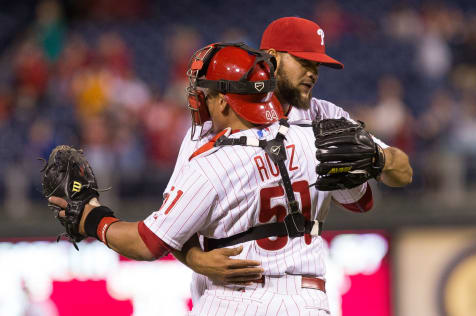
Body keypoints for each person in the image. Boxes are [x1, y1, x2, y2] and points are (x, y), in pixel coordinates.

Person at [49, 42, 345, 315]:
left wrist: (91, 218)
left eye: (207, 93)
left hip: (238, 299)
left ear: (225, 103)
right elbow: (363, 201)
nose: (199, 98)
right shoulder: (312, 139)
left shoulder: (213, 163)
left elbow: (148, 243)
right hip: (311, 302)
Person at [172, 16, 413, 297]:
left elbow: (403, 173)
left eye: (317, 65)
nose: (313, 73)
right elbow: (171, 218)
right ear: (272, 58)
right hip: (227, 293)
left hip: (298, 291)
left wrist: (378, 159)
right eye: (304, 62)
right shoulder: (221, 114)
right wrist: (195, 259)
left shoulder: (326, 116)